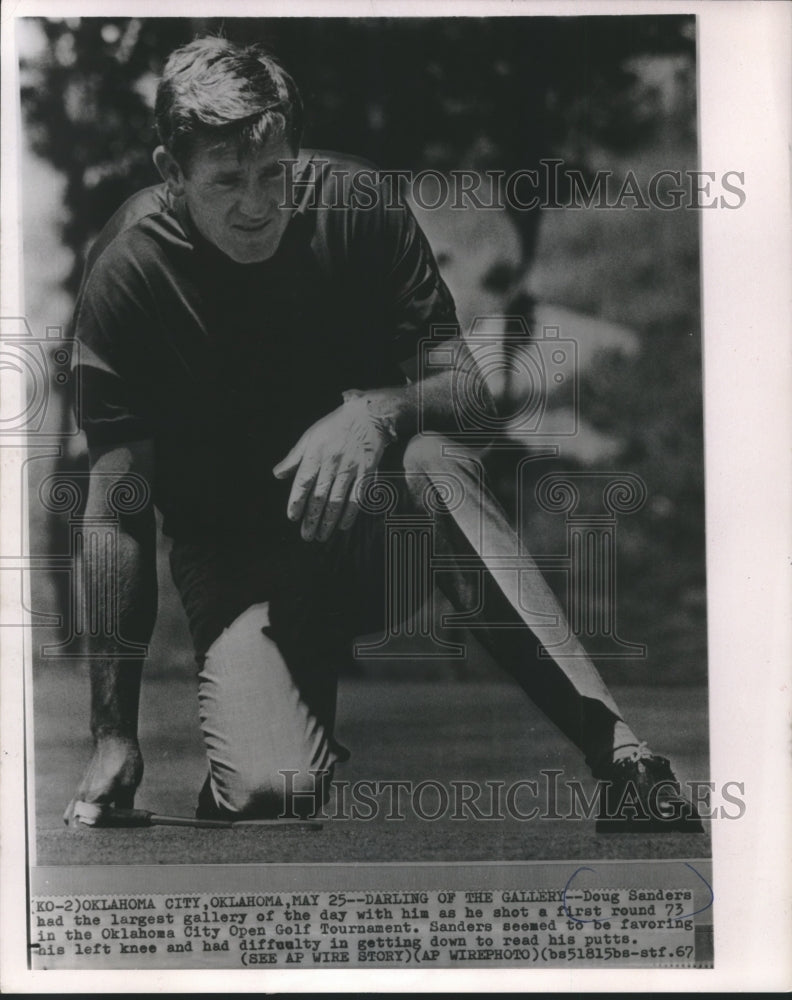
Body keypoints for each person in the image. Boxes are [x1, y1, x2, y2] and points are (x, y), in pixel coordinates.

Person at [64, 36, 701, 832]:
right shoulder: (127, 272)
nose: (257, 203)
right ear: (171, 172)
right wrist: (113, 733)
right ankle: (270, 725)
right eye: (226, 181)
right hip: (236, 561)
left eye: (275, 174)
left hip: (377, 531)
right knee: (273, 792)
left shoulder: (359, 208)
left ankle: (623, 758)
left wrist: (376, 412)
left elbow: (468, 390)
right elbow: (117, 505)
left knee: (434, 458)